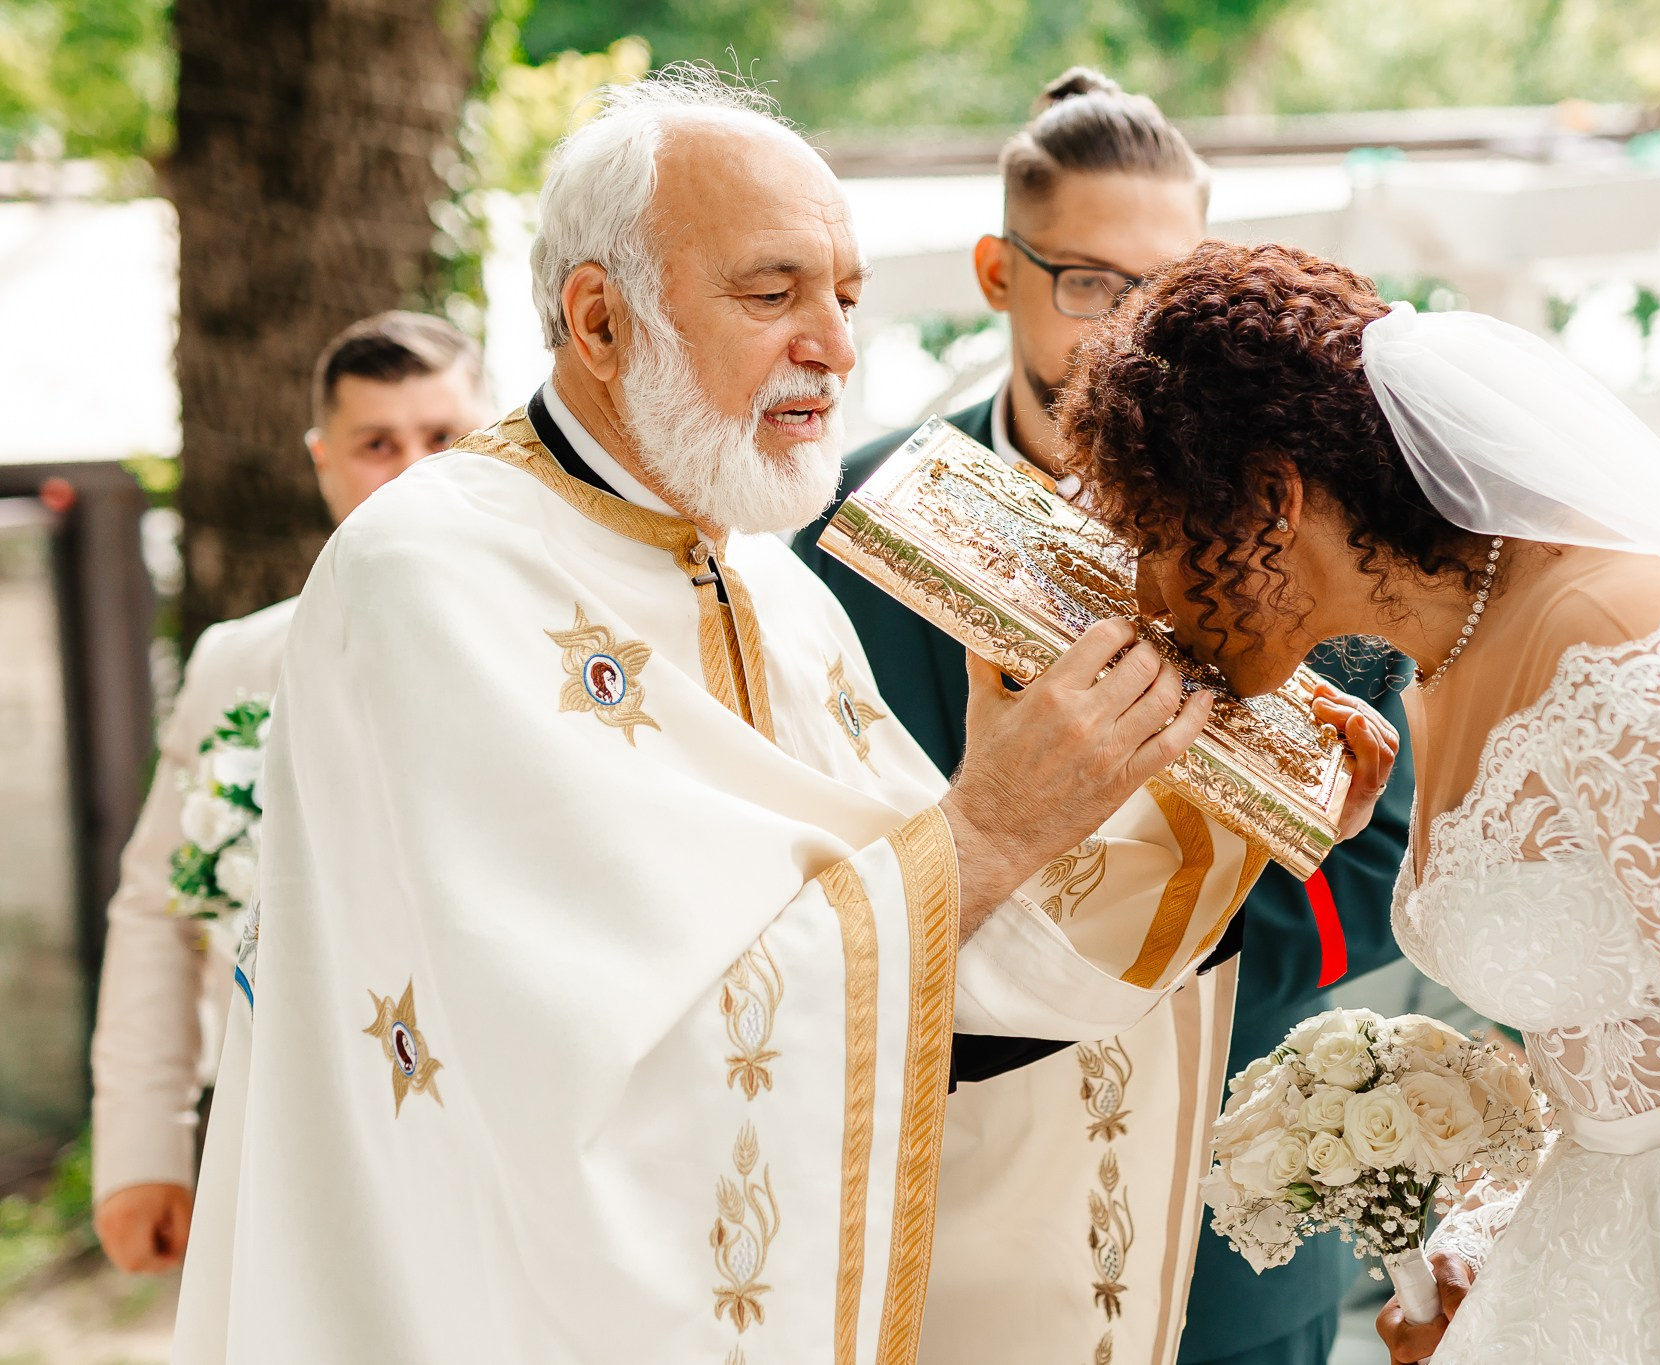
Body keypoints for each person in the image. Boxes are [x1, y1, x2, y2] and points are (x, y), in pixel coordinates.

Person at [171, 73, 1401, 1364]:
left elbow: (936, 958)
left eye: (847, 296)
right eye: (773, 293)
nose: (836, 343)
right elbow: (566, 1063)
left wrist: (1236, 804)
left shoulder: (766, 574)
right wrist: (987, 824)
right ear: (600, 317)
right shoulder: (429, 571)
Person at [1057, 240, 1660, 1364]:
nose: (1149, 593)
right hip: (1622, 1253)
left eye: (1158, 539)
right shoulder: (1432, 671)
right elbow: (1621, 1047)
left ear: (1273, 498)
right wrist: (1491, 1244)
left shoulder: (1619, 651)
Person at [793, 68, 1414, 1365]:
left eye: (1168, 291)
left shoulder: (1301, 521)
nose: (1130, 329)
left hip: (1219, 1195)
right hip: (943, 1187)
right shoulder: (839, 520)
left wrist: (1128, 961)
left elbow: (1367, 853)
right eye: (1089, 283)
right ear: (997, 270)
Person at [88, 310, 489, 1275]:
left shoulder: (575, 654)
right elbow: (161, 909)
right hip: (293, 1136)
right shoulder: (240, 663)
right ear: (323, 460)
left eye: (444, 438)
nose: (414, 470)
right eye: (377, 444)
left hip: (501, 1134)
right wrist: (143, 1148)